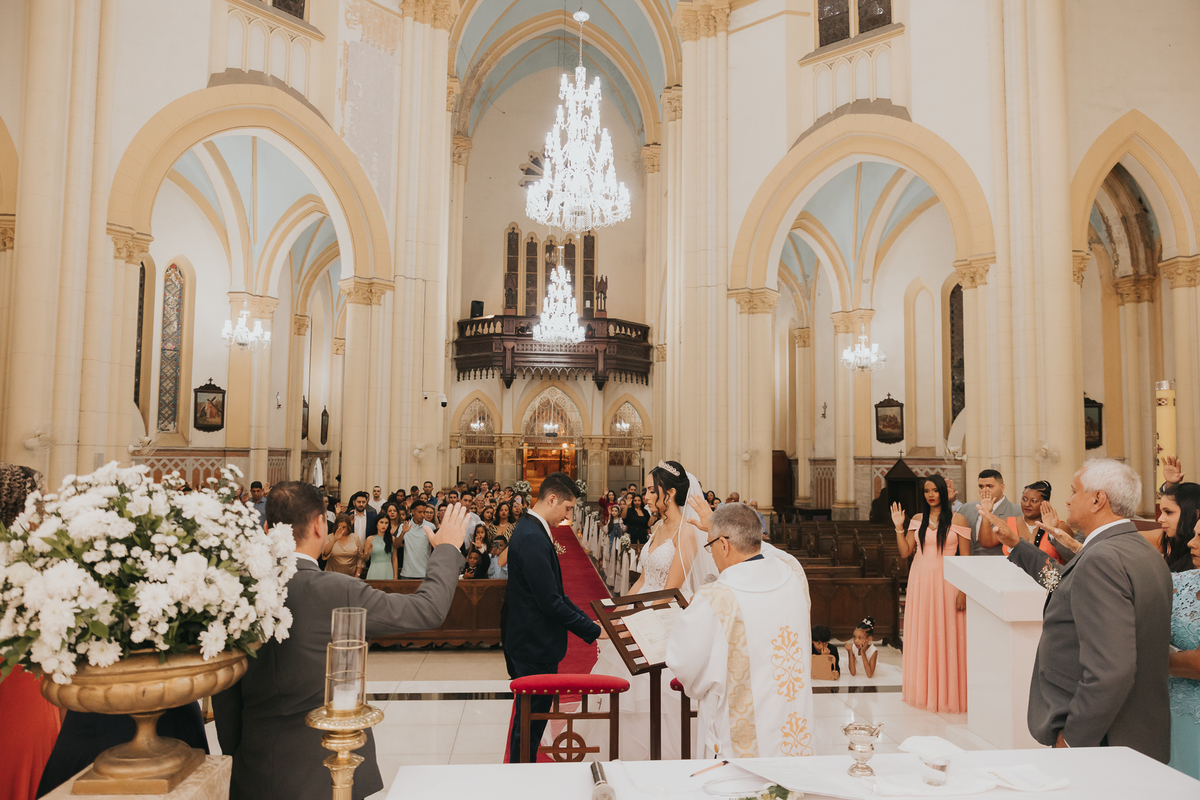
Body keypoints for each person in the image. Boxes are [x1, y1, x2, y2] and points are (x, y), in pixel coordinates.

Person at [213, 482, 467, 800]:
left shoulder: (231, 594)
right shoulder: (338, 590)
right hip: (332, 770)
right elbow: (426, 610)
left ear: (266, 528)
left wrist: (243, 758)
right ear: (321, 525)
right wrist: (446, 549)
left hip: (255, 766)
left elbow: (224, 699)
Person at [999, 459, 1172, 761]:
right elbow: (1065, 584)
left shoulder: (1102, 559)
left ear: (1097, 499)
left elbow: (1110, 671)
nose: (1067, 500)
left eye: (1074, 491)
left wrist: (1073, 739)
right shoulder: (1142, 550)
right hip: (1138, 731)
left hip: (1104, 737)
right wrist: (1018, 546)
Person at [577, 460, 712, 761]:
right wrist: (616, 607)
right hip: (643, 608)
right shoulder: (658, 527)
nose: (647, 495)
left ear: (671, 493)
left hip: (667, 617)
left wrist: (632, 617)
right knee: (628, 691)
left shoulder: (685, 533)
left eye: (652, 490)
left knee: (656, 695)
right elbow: (643, 578)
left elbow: (670, 591)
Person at [667, 502, 815, 759]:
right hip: (794, 731)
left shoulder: (717, 597)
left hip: (739, 741)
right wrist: (724, 528)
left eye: (710, 545)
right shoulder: (793, 576)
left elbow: (683, 662)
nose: (711, 554)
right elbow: (770, 552)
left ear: (723, 545)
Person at [503, 472, 601, 762]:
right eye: (568, 508)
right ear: (552, 499)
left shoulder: (533, 529)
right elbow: (550, 603)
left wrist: (589, 622)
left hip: (531, 641)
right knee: (530, 723)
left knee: (531, 720)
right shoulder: (532, 536)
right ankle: (522, 776)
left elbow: (556, 594)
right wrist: (593, 631)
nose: (568, 515)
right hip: (533, 644)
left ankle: (524, 772)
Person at [0, 463, 61, 800]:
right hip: (17, 671)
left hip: (27, 670)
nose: (47, 501)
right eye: (40, 495)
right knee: (23, 756)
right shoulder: (17, 554)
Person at [890, 475, 970, 713]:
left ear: (944, 492)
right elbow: (905, 552)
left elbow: (966, 559)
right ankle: (923, 692)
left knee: (948, 633)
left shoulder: (959, 519)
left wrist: (964, 591)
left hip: (948, 582)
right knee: (924, 633)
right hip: (921, 580)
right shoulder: (917, 519)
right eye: (927, 491)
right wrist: (898, 527)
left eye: (935, 490)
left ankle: (949, 695)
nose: (931, 495)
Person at [978, 481, 1076, 565]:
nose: (1027, 504)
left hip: (1048, 583)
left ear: (1046, 503)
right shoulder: (1008, 522)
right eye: (1024, 499)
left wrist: (1053, 531)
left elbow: (1073, 559)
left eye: (1034, 501)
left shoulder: (1059, 526)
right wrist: (986, 513)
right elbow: (986, 543)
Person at [958, 469, 1018, 556]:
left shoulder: (1016, 512)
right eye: (981, 486)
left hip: (999, 566)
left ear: (1002, 487)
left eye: (989, 486)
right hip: (967, 563)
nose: (984, 490)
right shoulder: (965, 509)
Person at [1159, 482, 1200, 573]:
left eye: (1168, 512)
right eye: (1161, 512)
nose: (1160, 519)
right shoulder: (1175, 549)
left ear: (1194, 515)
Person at [400, 501, 435, 579]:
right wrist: (403, 533)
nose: (423, 515)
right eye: (420, 512)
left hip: (426, 573)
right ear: (412, 512)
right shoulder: (404, 526)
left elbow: (435, 547)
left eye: (424, 512)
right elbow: (396, 545)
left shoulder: (431, 527)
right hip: (408, 573)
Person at [364, 514, 396, 580]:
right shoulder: (369, 539)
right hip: (374, 570)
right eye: (381, 522)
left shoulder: (392, 538)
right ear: (376, 524)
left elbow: (394, 558)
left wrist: (395, 577)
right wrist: (368, 553)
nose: (384, 525)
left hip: (388, 570)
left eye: (386, 523)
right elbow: (365, 560)